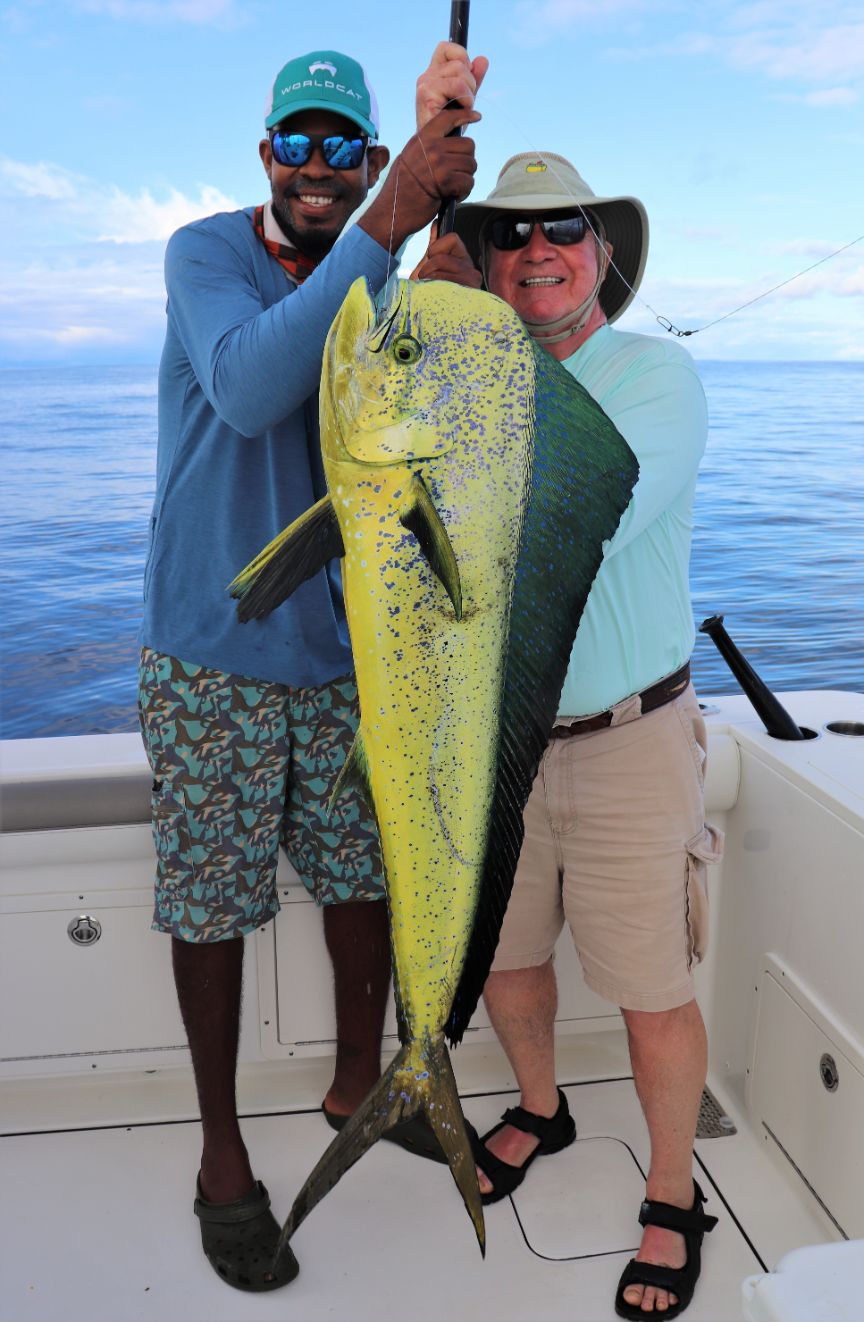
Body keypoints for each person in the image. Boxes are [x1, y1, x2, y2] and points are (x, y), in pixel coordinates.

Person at [138, 42, 487, 1293]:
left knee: (360, 882)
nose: (322, 169)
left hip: (352, 654)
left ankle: (365, 1083)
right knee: (212, 904)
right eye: (303, 143)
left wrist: (442, 283)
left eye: (350, 149)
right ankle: (221, 1161)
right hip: (212, 658)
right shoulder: (206, 255)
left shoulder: (380, 273)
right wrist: (390, 225)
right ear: (268, 153)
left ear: (372, 155)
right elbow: (246, 387)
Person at [420, 152, 724, 1319]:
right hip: (489, 739)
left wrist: (460, 341)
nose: (536, 249)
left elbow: (567, 509)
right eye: (509, 236)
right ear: (491, 264)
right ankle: (541, 1106)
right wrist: (430, 313)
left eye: (563, 230)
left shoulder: (654, 374)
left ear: (599, 253)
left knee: (650, 986)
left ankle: (670, 1187)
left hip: (624, 740)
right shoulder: (463, 378)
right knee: (503, 957)